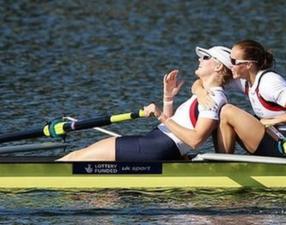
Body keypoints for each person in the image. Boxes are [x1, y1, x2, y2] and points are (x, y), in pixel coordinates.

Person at [57, 45, 233, 161]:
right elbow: (177, 128)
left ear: (218, 67)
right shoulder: (204, 93)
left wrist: (160, 115)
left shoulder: (213, 98)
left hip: (157, 147)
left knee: (75, 158)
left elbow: (195, 140)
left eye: (205, 57)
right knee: (78, 156)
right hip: (155, 143)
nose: (199, 59)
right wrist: (168, 98)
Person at [193, 40, 286, 157]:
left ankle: (223, 164)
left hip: (284, 145)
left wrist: (271, 121)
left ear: (248, 65)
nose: (230, 65)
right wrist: (200, 93)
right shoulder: (246, 81)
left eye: (233, 61)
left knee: (227, 111)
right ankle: (223, 160)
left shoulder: (269, 83)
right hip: (270, 138)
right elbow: (205, 80)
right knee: (221, 110)